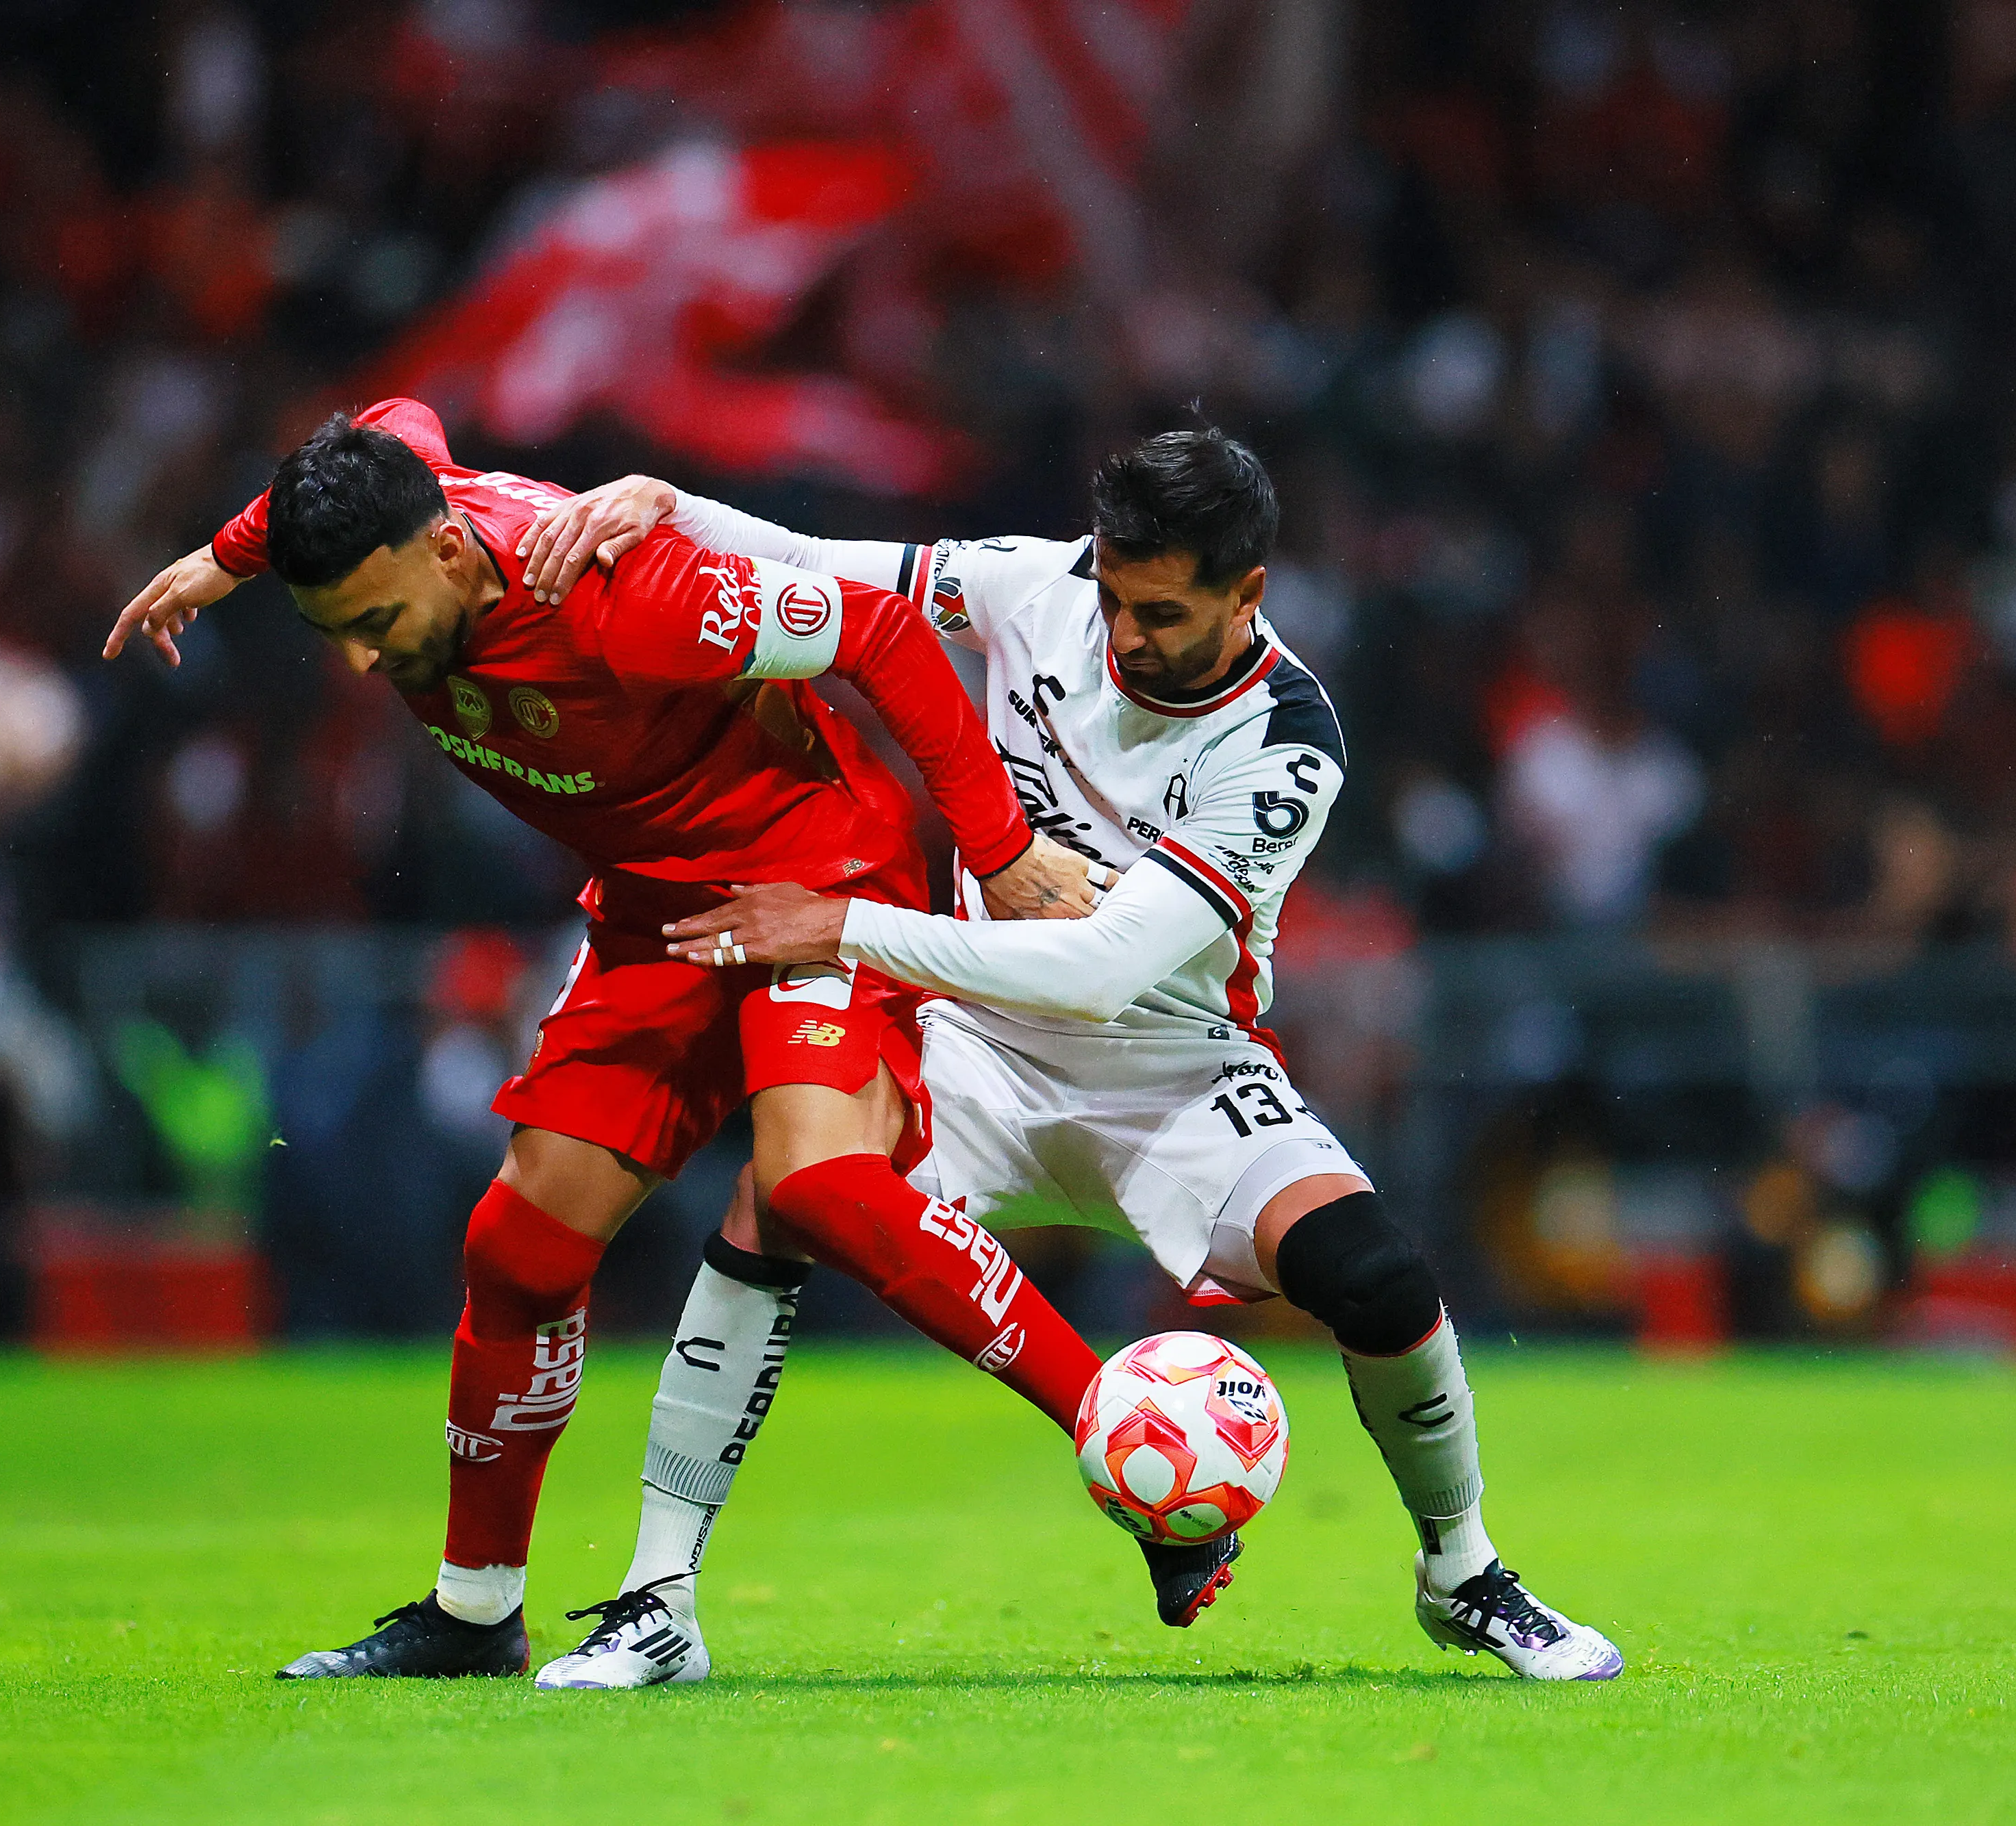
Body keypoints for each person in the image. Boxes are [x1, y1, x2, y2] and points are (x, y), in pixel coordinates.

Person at [103, 398, 1232, 1679]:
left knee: (817, 1183)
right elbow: (392, 423)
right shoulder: (403, 500)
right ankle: (475, 1612)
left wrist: (1004, 850)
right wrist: (228, 556)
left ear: (452, 550)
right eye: (336, 632)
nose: (364, 662)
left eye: (376, 622)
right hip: (656, 911)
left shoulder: (622, 597)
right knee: (519, 1247)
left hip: (815, 870)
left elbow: (879, 631)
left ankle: (1129, 1448)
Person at [515, 427, 1624, 1688]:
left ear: (1247, 594)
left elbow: (1102, 969)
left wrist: (843, 924)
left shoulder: (1285, 742)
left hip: (1175, 1070)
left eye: (1163, 613)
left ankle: (1462, 1573)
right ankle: (658, 1601)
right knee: (777, 1202)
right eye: (1113, 597)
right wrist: (671, 503)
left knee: (1379, 1279)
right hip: (972, 1041)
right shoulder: (1036, 586)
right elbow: (820, 562)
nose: (1125, 635)